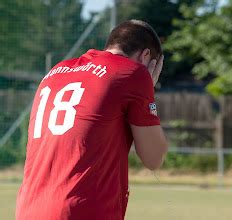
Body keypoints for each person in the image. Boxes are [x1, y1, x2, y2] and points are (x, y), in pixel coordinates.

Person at [16, 20, 168, 220]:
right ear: (146, 55)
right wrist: (148, 87)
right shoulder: (134, 73)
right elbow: (153, 158)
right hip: (79, 209)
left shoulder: (54, 72)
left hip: (28, 208)